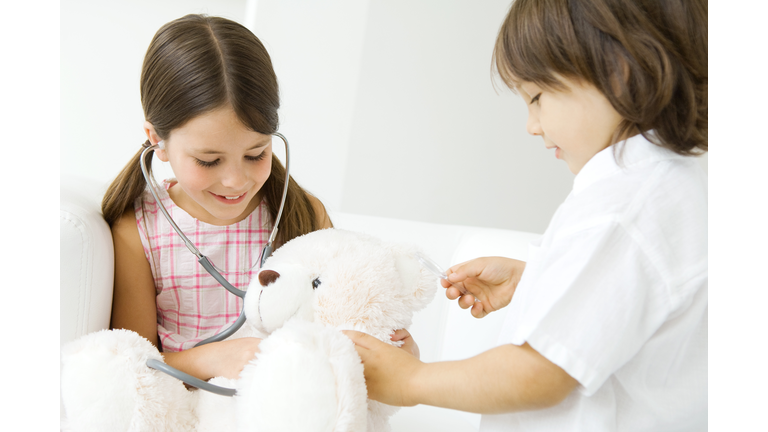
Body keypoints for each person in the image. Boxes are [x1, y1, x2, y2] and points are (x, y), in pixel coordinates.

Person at [343, 0, 707, 430]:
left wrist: (412, 379)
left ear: (618, 71)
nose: (532, 125)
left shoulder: (618, 210)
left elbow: (538, 372)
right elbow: (636, 301)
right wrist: (537, 277)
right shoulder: (678, 186)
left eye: (536, 97)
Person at [100, 14, 335, 383]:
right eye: (208, 160)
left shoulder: (304, 215)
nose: (235, 181)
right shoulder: (138, 231)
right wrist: (211, 361)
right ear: (156, 139)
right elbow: (134, 363)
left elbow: (343, 329)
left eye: (256, 153)